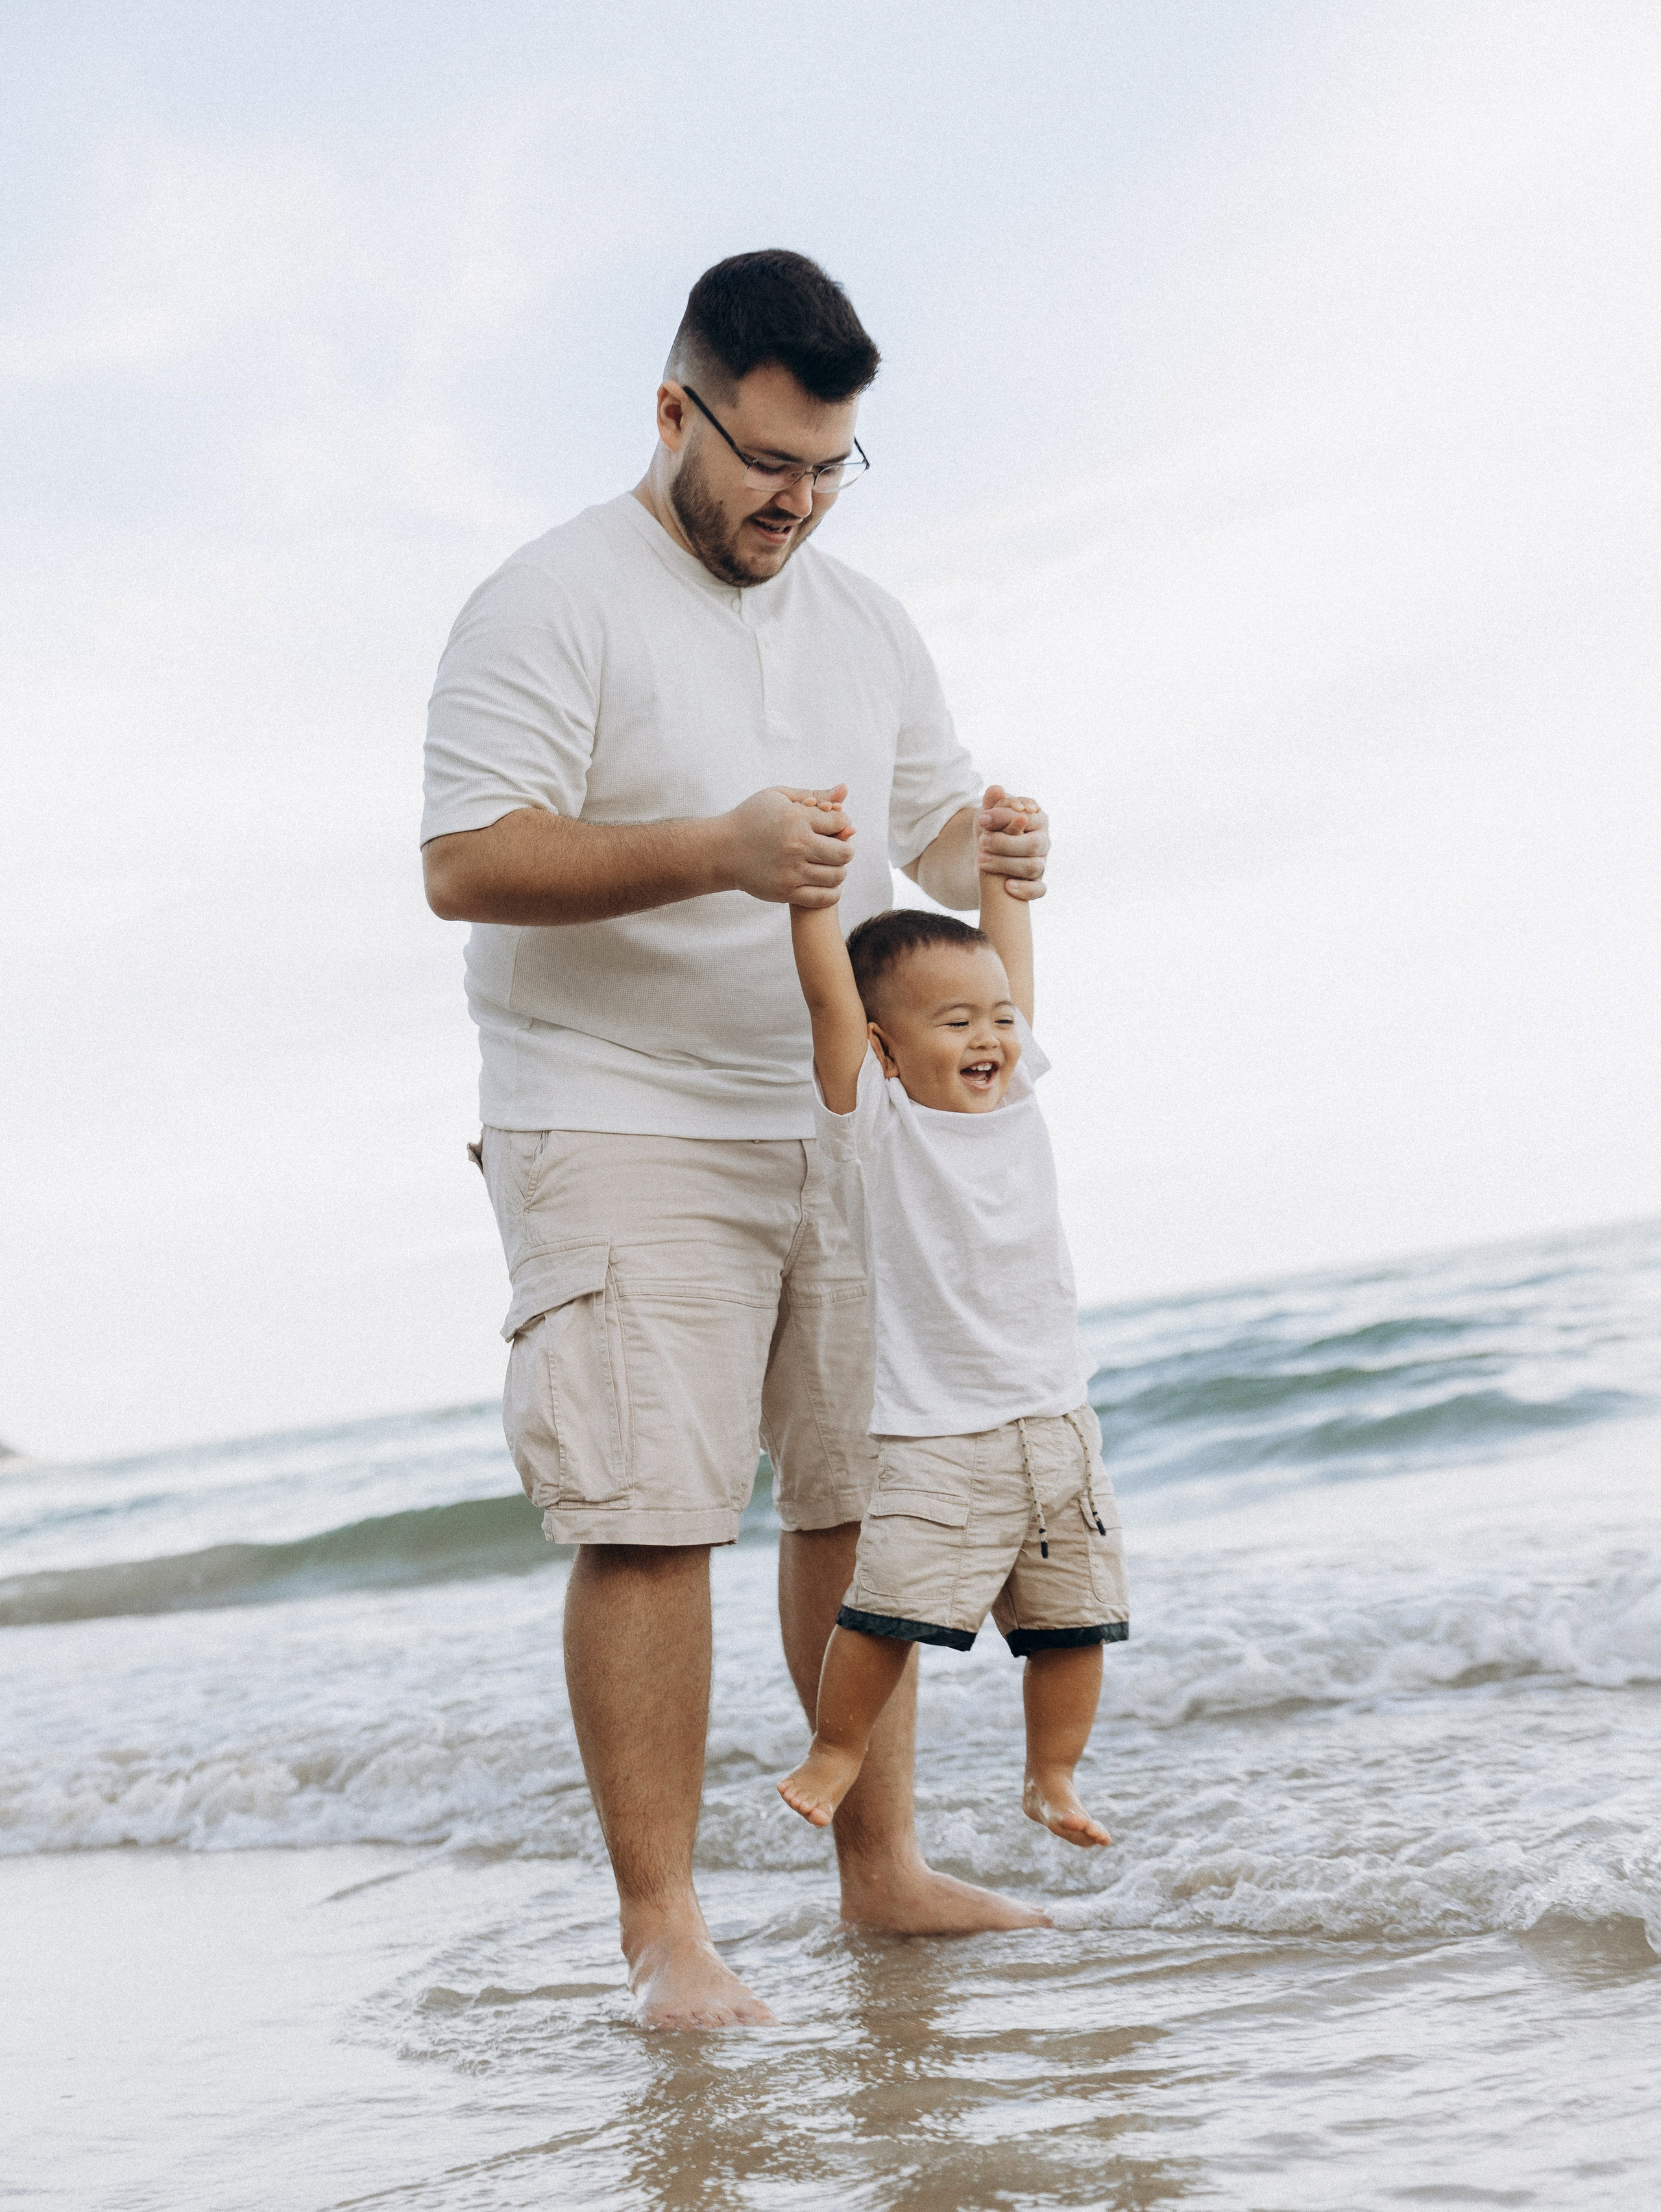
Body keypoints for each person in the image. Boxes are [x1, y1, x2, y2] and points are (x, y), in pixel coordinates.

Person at [420, 250, 1054, 2030]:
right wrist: (716, 845)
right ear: (674, 410)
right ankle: (666, 1935)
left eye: (831, 466)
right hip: (612, 1117)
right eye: (767, 461)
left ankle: (882, 1875)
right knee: (650, 1514)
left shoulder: (863, 617)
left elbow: (918, 837)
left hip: (839, 1106)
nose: (797, 500)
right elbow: (467, 859)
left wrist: (992, 861)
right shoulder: (548, 602)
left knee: (860, 1505)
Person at [776, 808, 1130, 1847]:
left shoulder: (1017, 1095)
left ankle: (1053, 1775)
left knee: (1075, 1621)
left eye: (999, 1019)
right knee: (885, 1614)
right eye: (956, 1023)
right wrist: (811, 903)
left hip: (1059, 1420)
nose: (990, 1038)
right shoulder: (878, 1129)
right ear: (886, 1052)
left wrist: (998, 877)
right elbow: (829, 1003)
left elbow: (1009, 961)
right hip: (939, 1434)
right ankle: (838, 1751)